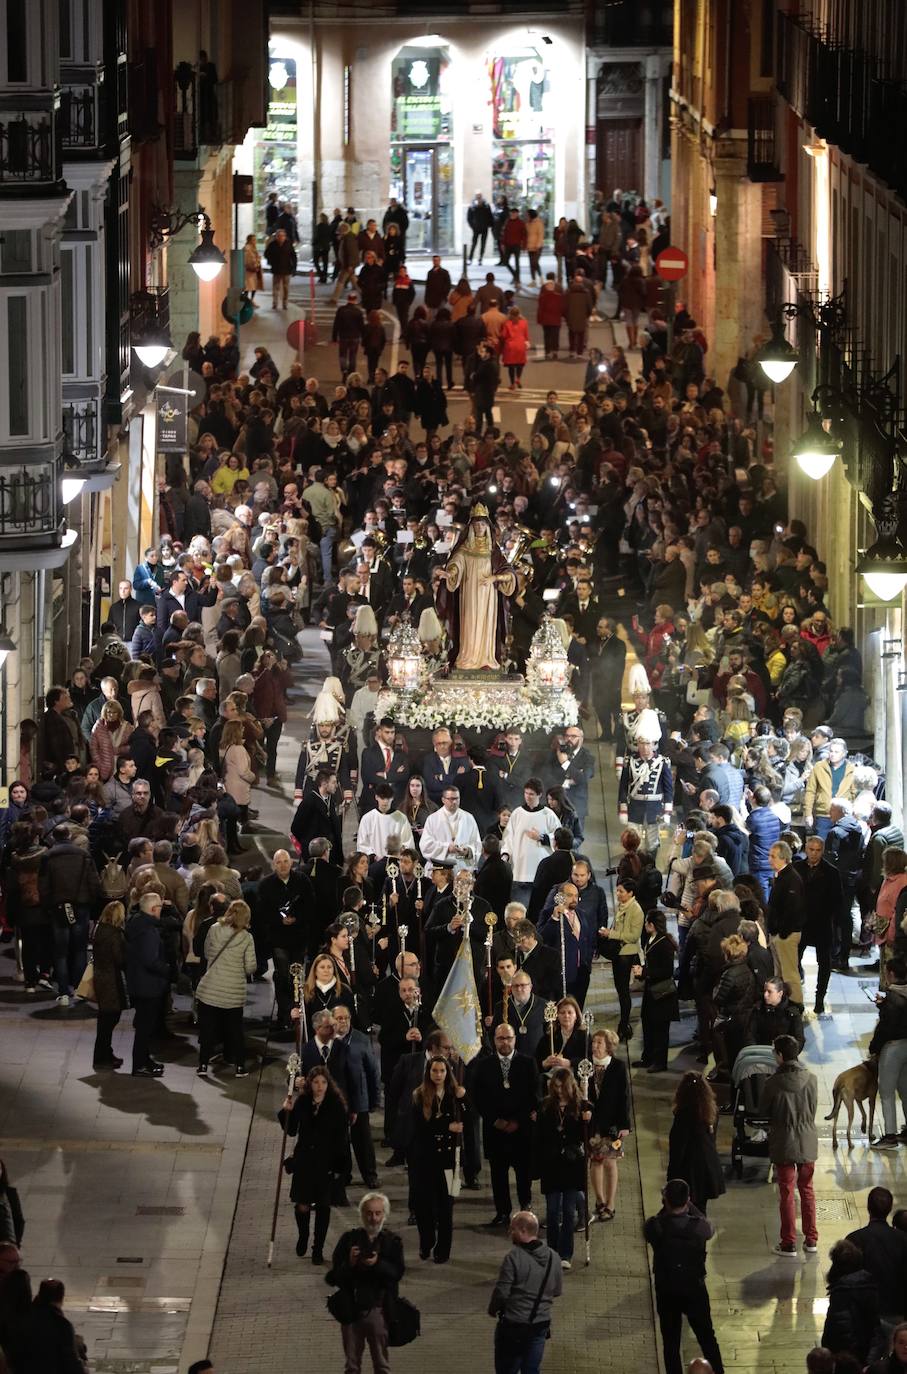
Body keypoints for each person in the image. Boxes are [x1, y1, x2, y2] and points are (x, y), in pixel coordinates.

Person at [644, 1178, 725, 1374]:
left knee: (671, 1343)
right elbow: (710, 1227)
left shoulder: (655, 1226)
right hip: (694, 1289)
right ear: (687, 1199)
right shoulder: (699, 1227)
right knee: (707, 1337)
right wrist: (690, 1205)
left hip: (667, 1290)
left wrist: (667, 1205)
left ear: (666, 1199)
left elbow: (652, 1227)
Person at [326, 1192, 404, 1374]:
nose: (373, 1218)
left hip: (379, 1309)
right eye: (369, 1213)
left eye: (378, 1213)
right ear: (362, 1214)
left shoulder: (392, 1242)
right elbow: (332, 1278)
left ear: (384, 1215)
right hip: (351, 1310)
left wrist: (378, 1264)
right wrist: (350, 1264)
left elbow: (397, 1274)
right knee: (352, 1367)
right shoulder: (348, 1240)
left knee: (382, 1365)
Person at [280, 1064, 351, 1264]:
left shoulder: (336, 1105)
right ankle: (303, 1235)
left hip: (325, 1162)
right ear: (309, 1084)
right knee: (302, 1205)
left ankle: (318, 1248)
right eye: (316, 1082)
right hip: (304, 1162)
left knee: (323, 1207)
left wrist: (340, 1167)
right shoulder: (302, 1102)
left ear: (328, 1084)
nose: (320, 1086)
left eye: (323, 1082)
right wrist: (286, 1111)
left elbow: (341, 1139)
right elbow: (291, 1129)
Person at [473, 1023, 539, 1226]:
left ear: (515, 1039)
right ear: (494, 1040)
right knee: (498, 1175)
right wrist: (496, 1121)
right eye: (501, 1038)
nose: (505, 1042)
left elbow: (534, 1095)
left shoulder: (528, 1063)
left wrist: (518, 1121)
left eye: (509, 1038)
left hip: (521, 1130)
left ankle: (525, 1207)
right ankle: (503, 1212)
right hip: (496, 1131)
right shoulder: (483, 1065)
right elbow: (479, 1098)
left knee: (523, 1173)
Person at [762, 1033, 819, 1257]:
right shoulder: (812, 1079)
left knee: (786, 1192)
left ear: (780, 1055)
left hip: (783, 1142)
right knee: (807, 1190)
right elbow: (812, 1109)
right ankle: (811, 1239)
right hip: (807, 1140)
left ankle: (788, 1243)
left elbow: (763, 1111)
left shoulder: (772, 1083)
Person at [487, 1209, 563, 1374]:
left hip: (513, 1326)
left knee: (507, 1369)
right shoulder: (554, 1257)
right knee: (531, 1370)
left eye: (512, 1229)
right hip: (540, 1325)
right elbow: (557, 1291)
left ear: (523, 1231)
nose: (509, 1233)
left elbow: (502, 1292)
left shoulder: (514, 1258)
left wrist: (493, 1309)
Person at [408, 1055, 464, 1263]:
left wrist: (463, 1098)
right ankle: (427, 1240)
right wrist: (446, 1127)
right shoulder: (419, 1095)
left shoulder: (453, 1095)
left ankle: (443, 1250)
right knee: (423, 1206)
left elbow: (468, 1116)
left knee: (446, 1208)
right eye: (434, 1071)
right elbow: (420, 1128)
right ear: (428, 1072)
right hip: (425, 1160)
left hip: (451, 1161)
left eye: (442, 1071)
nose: (438, 1075)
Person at [534, 1068, 590, 1271]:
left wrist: (588, 1120)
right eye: (555, 1087)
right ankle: (552, 1251)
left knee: (568, 1211)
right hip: (551, 1166)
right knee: (552, 1210)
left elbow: (589, 1135)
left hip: (572, 1166)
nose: (558, 1091)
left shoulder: (580, 1106)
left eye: (561, 1087)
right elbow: (538, 1137)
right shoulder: (546, 1106)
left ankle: (566, 1253)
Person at [195, 898, 257, 1077]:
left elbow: (207, 953)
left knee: (207, 1029)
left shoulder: (214, 929)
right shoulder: (246, 937)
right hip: (233, 991)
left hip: (211, 988)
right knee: (235, 1030)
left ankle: (203, 1066)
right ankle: (239, 1067)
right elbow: (251, 967)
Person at [845, 1187, 907, 1340]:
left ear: (868, 1207)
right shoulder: (903, 1240)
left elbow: (845, 1280)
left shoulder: (854, 1240)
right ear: (890, 1208)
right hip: (896, 1312)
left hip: (864, 1315)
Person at [586, 1028, 630, 1221]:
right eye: (593, 1042)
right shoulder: (585, 1065)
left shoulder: (618, 1067)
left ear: (609, 1047)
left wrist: (624, 1124)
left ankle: (611, 1204)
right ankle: (600, 1200)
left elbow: (624, 1097)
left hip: (612, 1124)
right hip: (592, 1125)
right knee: (596, 1161)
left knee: (610, 1162)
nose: (595, 1046)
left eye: (599, 1043)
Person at [666, 1072, 725, 1215]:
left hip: (690, 1171)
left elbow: (678, 1148)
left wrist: (671, 1176)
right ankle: (701, 1233)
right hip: (708, 1169)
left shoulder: (684, 1114)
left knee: (687, 1212)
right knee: (701, 1210)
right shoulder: (711, 1112)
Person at [125, 891, 169, 1077]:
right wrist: (167, 969)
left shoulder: (136, 923)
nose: (161, 910)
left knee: (144, 1026)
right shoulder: (148, 931)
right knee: (145, 1028)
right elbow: (150, 960)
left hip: (139, 982)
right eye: (159, 907)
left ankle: (145, 1060)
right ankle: (139, 1065)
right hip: (148, 985)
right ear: (153, 909)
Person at [821, 1239, 881, 1365]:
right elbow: (875, 1325)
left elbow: (840, 1328)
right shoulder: (868, 1283)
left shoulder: (842, 1291)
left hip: (848, 1358)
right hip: (865, 1351)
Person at [633, 908, 678, 1072]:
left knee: (660, 1029)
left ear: (651, 925)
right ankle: (648, 1057)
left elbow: (667, 971)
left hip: (662, 994)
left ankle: (660, 1062)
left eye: (646, 922)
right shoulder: (651, 939)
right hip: (651, 991)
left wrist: (645, 972)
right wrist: (642, 971)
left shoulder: (664, 943)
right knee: (648, 1024)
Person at [598, 879, 644, 1041]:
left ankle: (624, 1025)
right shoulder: (622, 906)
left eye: (621, 891)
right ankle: (624, 1024)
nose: (617, 894)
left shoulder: (636, 910)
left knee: (623, 991)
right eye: (617, 891)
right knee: (620, 990)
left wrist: (610, 934)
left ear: (630, 893)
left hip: (626, 954)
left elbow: (633, 936)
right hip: (618, 952)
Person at [869, 959, 907, 1150]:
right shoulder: (899, 995)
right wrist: (883, 1006)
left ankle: (890, 1136)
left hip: (893, 1048)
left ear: (891, 974)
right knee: (905, 1088)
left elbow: (886, 1028)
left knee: (886, 1092)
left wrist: (873, 1048)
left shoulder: (893, 998)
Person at [766, 840, 805, 1008]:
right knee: (780, 973)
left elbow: (793, 909)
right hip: (779, 933)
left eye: (773, 856)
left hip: (786, 935)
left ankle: (796, 1006)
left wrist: (782, 932)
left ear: (784, 858)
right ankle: (782, 1005)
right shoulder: (781, 876)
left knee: (790, 974)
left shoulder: (791, 878)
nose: (769, 859)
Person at [92, 899, 127, 1069]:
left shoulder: (98, 930)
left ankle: (104, 1053)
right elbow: (119, 959)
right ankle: (103, 1055)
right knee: (110, 1018)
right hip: (111, 980)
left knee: (104, 1019)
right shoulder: (115, 934)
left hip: (100, 977)